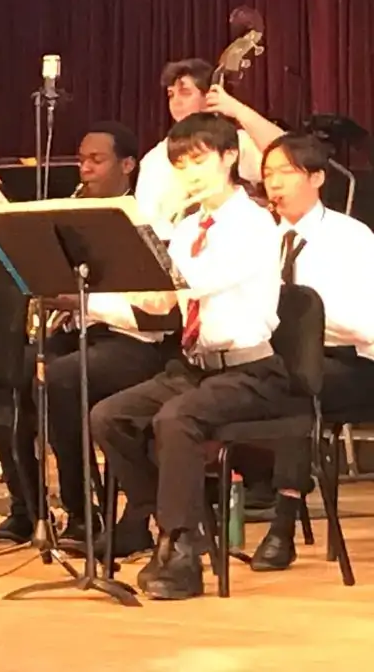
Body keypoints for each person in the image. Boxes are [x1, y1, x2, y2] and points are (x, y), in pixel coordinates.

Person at [89, 112, 297, 600]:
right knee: (109, 416)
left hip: (251, 369)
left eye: (199, 160)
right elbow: (161, 301)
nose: (190, 174)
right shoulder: (188, 226)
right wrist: (99, 283)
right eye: (181, 165)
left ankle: (183, 551)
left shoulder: (253, 224)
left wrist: (148, 262)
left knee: (176, 420)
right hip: (196, 366)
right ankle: (153, 516)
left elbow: (189, 283)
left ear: (228, 158)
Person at [0, 123, 171, 555]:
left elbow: (154, 311)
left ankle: (83, 510)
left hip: (137, 341)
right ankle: (29, 508)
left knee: (60, 378)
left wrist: (79, 303)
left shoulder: (147, 221)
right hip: (83, 332)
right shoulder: (70, 218)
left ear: (128, 165)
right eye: (82, 160)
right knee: (11, 374)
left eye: (97, 160)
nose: (85, 169)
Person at [247, 133, 374, 572]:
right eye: (267, 175)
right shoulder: (261, 236)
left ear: (316, 177)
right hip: (275, 362)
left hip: (348, 364)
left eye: (285, 173)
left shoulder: (351, 237)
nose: (273, 185)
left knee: (298, 390)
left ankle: (281, 525)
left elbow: (366, 321)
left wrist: (305, 319)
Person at [135, 59, 263, 237]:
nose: (176, 102)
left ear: (209, 96)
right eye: (171, 95)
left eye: (185, 92)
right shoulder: (154, 158)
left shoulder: (238, 142)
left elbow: (285, 158)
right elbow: (147, 220)